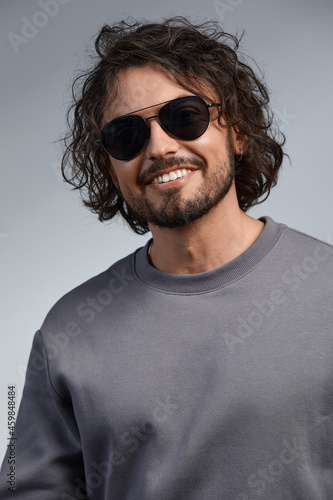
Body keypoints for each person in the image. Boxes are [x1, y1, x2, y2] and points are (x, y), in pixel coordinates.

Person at [1, 17, 332, 500]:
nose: (159, 147)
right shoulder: (66, 332)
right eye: (127, 135)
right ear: (111, 169)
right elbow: (20, 487)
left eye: (185, 116)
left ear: (237, 132)